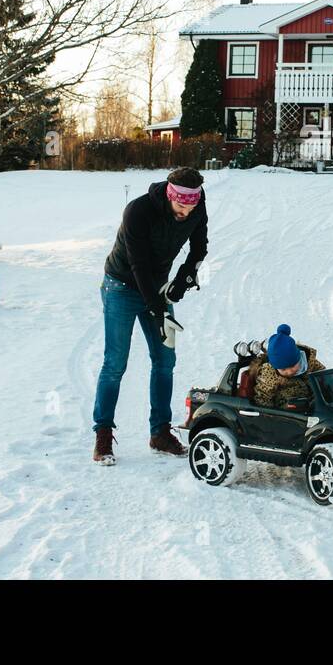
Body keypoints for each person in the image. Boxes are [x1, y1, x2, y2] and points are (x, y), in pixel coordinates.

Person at [92, 167, 207, 464]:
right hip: (121, 285)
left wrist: (183, 278)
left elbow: (199, 246)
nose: (186, 211)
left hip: (158, 287)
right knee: (116, 362)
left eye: (191, 204)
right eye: (181, 205)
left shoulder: (196, 202)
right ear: (170, 196)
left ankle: (160, 433)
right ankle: (103, 435)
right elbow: (138, 264)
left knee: (165, 359)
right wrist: (156, 308)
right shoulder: (138, 211)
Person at [253, 324, 324, 409]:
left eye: (293, 365)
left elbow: (323, 375)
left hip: (314, 403)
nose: (290, 371)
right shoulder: (270, 373)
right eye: (283, 369)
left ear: (298, 358)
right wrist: (272, 416)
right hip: (287, 410)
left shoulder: (309, 362)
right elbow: (263, 396)